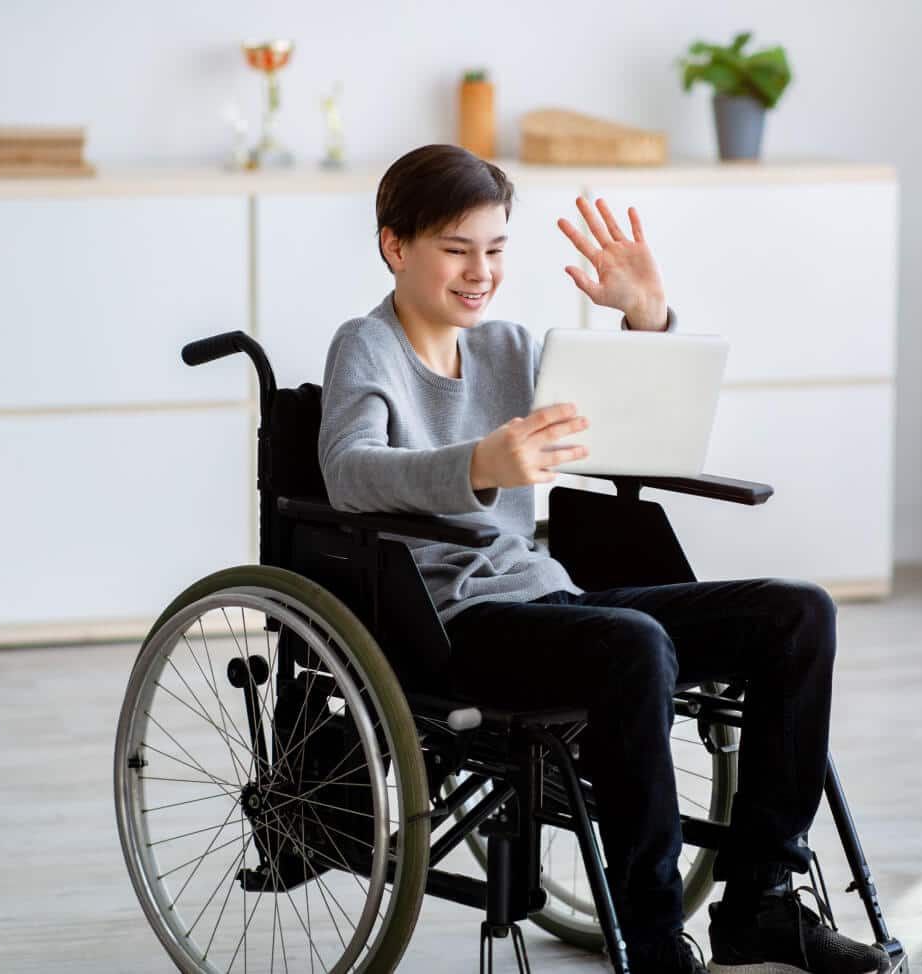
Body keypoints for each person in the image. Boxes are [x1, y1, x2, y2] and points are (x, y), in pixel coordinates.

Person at [317, 144, 890, 974]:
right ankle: (653, 941)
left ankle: (759, 903)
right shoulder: (365, 347)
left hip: (548, 597)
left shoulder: (509, 347)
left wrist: (648, 318)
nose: (480, 272)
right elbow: (347, 472)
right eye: (456, 249)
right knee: (633, 643)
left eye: (496, 249)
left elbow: (629, 422)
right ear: (394, 246)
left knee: (797, 613)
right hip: (447, 623)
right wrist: (479, 465)